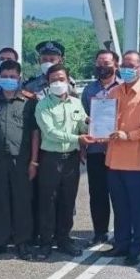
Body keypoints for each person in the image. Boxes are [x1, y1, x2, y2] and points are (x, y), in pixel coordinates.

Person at [103, 50, 140, 265]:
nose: (127, 69)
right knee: (119, 206)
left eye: (132, 65)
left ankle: (136, 248)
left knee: (137, 207)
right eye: (124, 65)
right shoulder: (115, 91)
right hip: (113, 158)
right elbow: (105, 118)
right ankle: (120, 244)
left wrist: (129, 135)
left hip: (135, 160)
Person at [0, 60, 39, 260]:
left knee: (22, 202)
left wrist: (34, 161)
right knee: (0, 201)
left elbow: (34, 133)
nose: (8, 80)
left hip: (21, 160)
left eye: (12, 77)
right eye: (5, 76)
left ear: (19, 78)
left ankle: (23, 243)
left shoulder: (30, 101)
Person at [35, 64, 89, 260]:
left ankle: (64, 239)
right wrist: (78, 139)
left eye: (61, 79)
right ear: (48, 83)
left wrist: (91, 124)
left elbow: (82, 125)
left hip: (71, 160)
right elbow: (50, 132)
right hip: (51, 158)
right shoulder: (42, 105)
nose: (58, 83)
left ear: (68, 80)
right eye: (53, 80)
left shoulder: (76, 103)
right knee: (48, 201)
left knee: (68, 200)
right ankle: (45, 242)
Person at [80, 48, 120, 245]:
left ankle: (122, 233)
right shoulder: (89, 90)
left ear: (116, 65)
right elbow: (83, 118)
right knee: (97, 193)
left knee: (120, 194)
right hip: (96, 150)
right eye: (99, 64)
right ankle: (100, 232)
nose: (102, 67)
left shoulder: (123, 88)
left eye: (106, 64)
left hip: (119, 149)